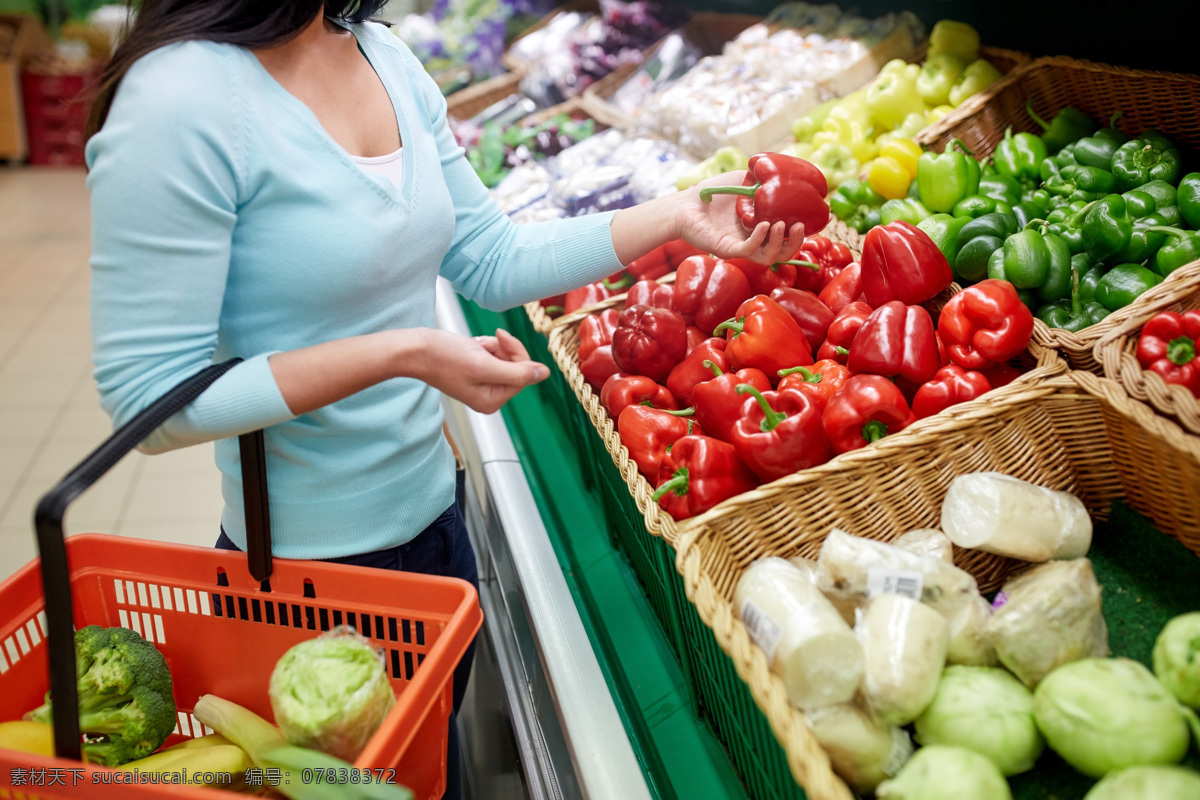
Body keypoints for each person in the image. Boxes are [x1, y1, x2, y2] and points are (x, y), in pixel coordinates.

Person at [85, 1, 805, 795]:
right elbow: (150, 402)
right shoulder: (179, 97)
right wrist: (407, 353)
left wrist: (674, 216)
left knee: (437, 780)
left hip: (437, 541)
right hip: (301, 584)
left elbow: (489, 257)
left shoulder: (380, 57)